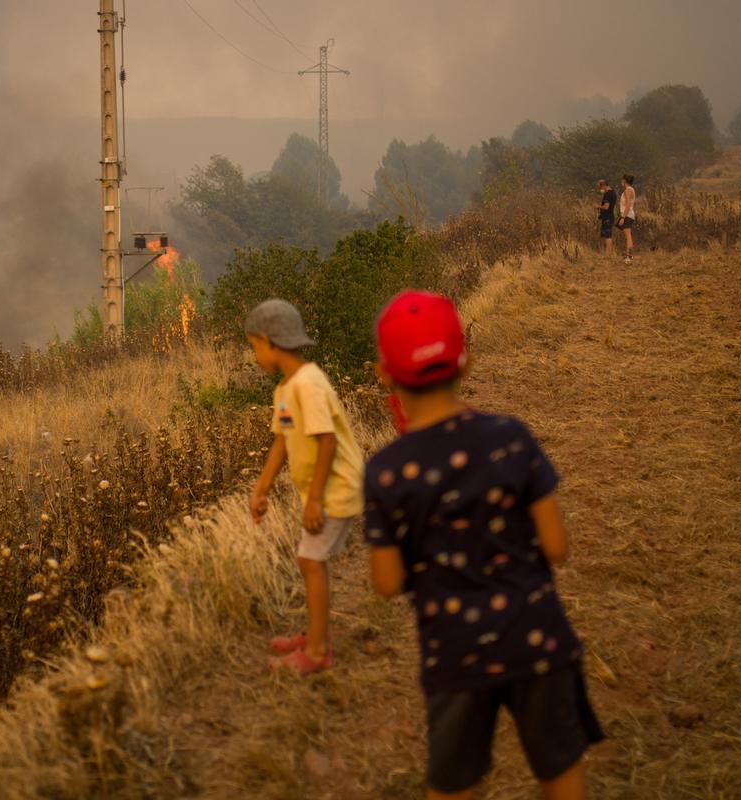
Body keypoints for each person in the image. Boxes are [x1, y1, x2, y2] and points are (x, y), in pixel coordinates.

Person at [364, 291, 604, 800]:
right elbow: (557, 546)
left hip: (456, 655)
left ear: (384, 374)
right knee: (560, 770)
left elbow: (386, 583)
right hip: (539, 640)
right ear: (466, 359)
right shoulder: (510, 437)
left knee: (452, 784)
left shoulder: (386, 472)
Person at [246, 299, 364, 674]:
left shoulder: (309, 384)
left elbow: (326, 439)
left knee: (310, 560)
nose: (255, 357)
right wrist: (261, 489)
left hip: (336, 488)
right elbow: (282, 441)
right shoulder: (285, 390)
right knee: (310, 559)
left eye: (254, 348)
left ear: (269, 341)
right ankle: (317, 635)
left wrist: (314, 501)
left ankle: (317, 651)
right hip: (322, 490)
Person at [616, 174, 636, 263]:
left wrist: (623, 217)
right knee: (628, 235)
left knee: (628, 235)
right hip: (629, 215)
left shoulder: (628, 190)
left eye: (622, 180)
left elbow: (627, 205)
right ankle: (629, 256)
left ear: (624, 181)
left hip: (627, 215)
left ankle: (629, 256)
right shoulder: (631, 189)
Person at [595, 179, 616, 255]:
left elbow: (606, 207)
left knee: (608, 235)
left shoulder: (608, 194)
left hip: (607, 217)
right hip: (610, 216)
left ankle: (608, 253)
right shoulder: (613, 193)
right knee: (607, 235)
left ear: (603, 185)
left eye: (600, 188)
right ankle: (608, 252)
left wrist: (598, 206)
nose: (600, 190)